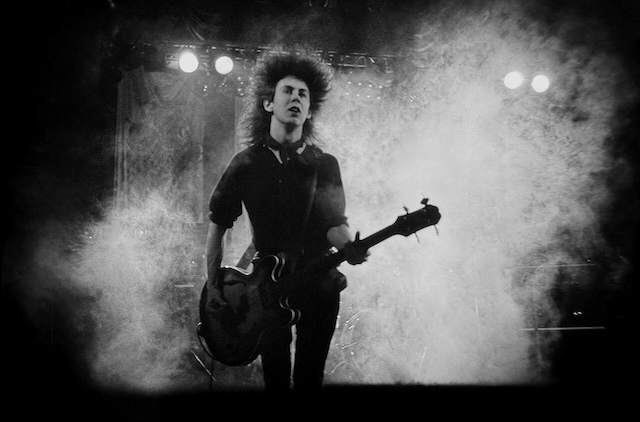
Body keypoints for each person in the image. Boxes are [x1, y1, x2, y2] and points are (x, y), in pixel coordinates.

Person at [203, 51, 369, 391]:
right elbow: (218, 224)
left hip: (318, 282)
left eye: (303, 95)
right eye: (288, 91)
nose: (296, 98)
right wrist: (214, 286)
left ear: (310, 110)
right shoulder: (246, 163)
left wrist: (351, 246)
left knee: (310, 379)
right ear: (268, 103)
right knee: (276, 380)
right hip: (266, 287)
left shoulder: (324, 164)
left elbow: (334, 224)